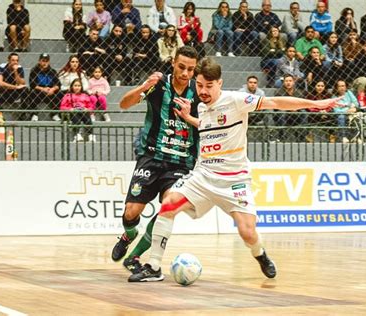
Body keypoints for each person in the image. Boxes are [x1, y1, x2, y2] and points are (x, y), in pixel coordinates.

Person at [128, 58, 342, 282]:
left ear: (220, 83)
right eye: (199, 85)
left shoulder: (237, 100)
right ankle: (153, 267)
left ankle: (260, 254)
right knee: (169, 203)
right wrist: (188, 117)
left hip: (234, 180)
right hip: (203, 176)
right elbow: (208, 127)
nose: (203, 91)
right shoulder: (201, 107)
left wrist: (315, 104)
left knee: (247, 232)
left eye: (209, 86)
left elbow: (275, 102)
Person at [111, 46, 201, 274]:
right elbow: (123, 104)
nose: (185, 73)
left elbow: (211, 124)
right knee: (131, 212)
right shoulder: (159, 85)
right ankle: (128, 235)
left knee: (168, 206)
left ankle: (135, 257)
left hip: (181, 163)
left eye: (190, 69)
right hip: (151, 157)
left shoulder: (199, 92)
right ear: (173, 62)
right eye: (181, 67)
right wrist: (144, 86)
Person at [0, 52, 29, 120]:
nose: (15, 62)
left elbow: (22, 83)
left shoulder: (19, 68)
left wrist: (15, 71)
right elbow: (0, 83)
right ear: (8, 60)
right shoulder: (1, 67)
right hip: (2, 92)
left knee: (25, 89)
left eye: (17, 60)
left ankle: (23, 114)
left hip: (13, 93)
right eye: (13, 60)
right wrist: (15, 87)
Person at [28, 53, 62, 122]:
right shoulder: (34, 71)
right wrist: (43, 89)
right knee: (31, 92)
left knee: (59, 93)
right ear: (39, 61)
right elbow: (32, 85)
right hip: (39, 92)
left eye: (46, 61)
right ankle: (34, 114)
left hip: (50, 92)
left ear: (49, 62)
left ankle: (54, 114)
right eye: (43, 60)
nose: (45, 63)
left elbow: (58, 84)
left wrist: (53, 89)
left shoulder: (52, 71)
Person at [60, 78, 95, 143]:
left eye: (79, 86)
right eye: (75, 85)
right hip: (72, 113)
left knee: (86, 116)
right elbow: (62, 107)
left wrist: (86, 109)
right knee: (76, 116)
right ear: (72, 87)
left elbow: (91, 107)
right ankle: (77, 134)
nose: (77, 87)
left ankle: (91, 135)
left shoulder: (85, 95)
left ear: (81, 87)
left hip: (83, 112)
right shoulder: (67, 95)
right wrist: (70, 109)